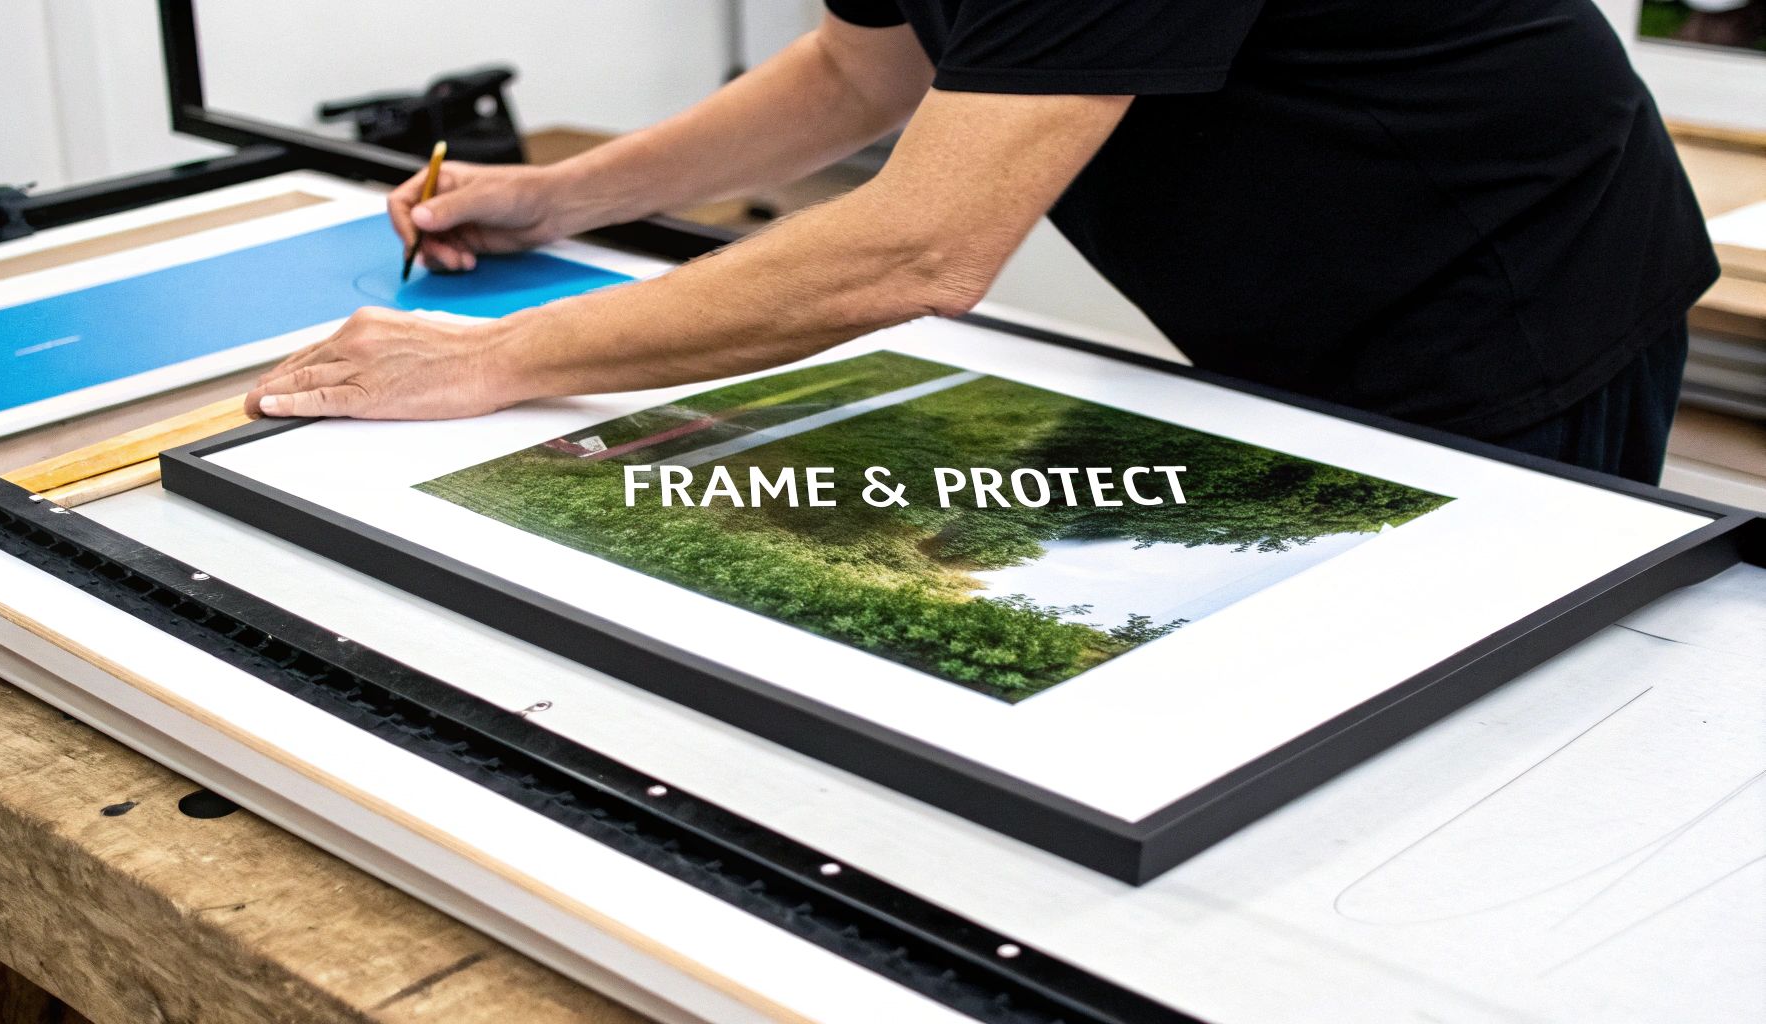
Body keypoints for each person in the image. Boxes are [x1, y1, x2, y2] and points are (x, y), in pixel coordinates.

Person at [247, 0, 1719, 484]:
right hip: (1293, 288)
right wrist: (569, 195)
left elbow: (923, 251)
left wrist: (495, 360)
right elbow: (859, 69)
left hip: (1507, 289)